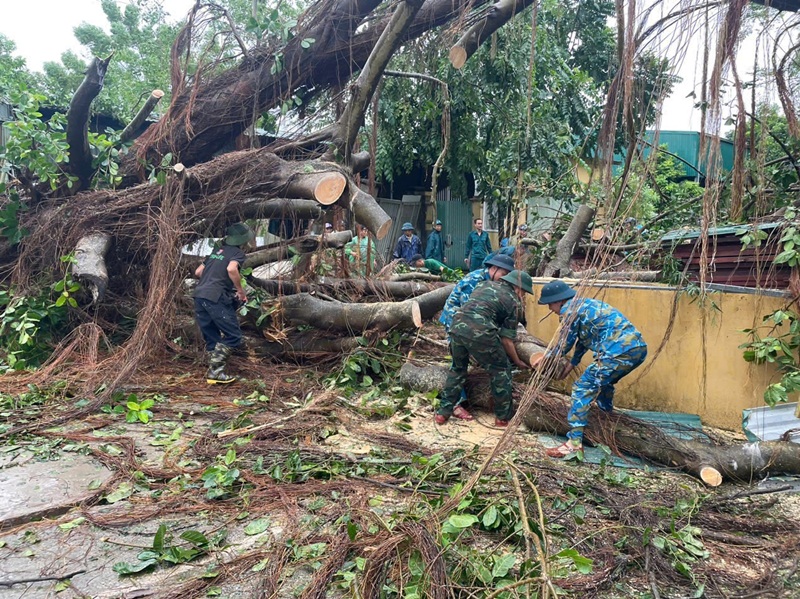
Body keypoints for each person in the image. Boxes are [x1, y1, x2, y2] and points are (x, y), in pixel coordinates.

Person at [532, 280, 647, 457]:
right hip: (637, 349)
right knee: (603, 382)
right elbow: (585, 338)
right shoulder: (586, 304)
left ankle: (574, 443)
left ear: (558, 301)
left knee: (582, 388)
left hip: (616, 352)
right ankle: (605, 417)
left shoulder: (568, 311)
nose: (549, 309)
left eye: (549, 304)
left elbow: (564, 345)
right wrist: (572, 364)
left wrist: (544, 359)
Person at [436, 270, 534, 426]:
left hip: (456, 326)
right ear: (518, 288)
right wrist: (517, 361)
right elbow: (507, 340)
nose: (522, 295)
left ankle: (443, 412)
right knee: (501, 370)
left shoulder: (484, 284)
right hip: (480, 332)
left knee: (458, 369)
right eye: (523, 291)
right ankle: (502, 417)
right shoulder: (514, 302)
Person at [193, 222, 255, 384]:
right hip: (215, 297)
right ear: (243, 240)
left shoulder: (216, 251)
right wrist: (240, 291)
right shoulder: (237, 253)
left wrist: (211, 281)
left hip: (200, 295)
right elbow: (231, 269)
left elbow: (198, 272)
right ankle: (215, 371)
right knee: (234, 336)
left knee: (212, 335)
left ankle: (212, 369)